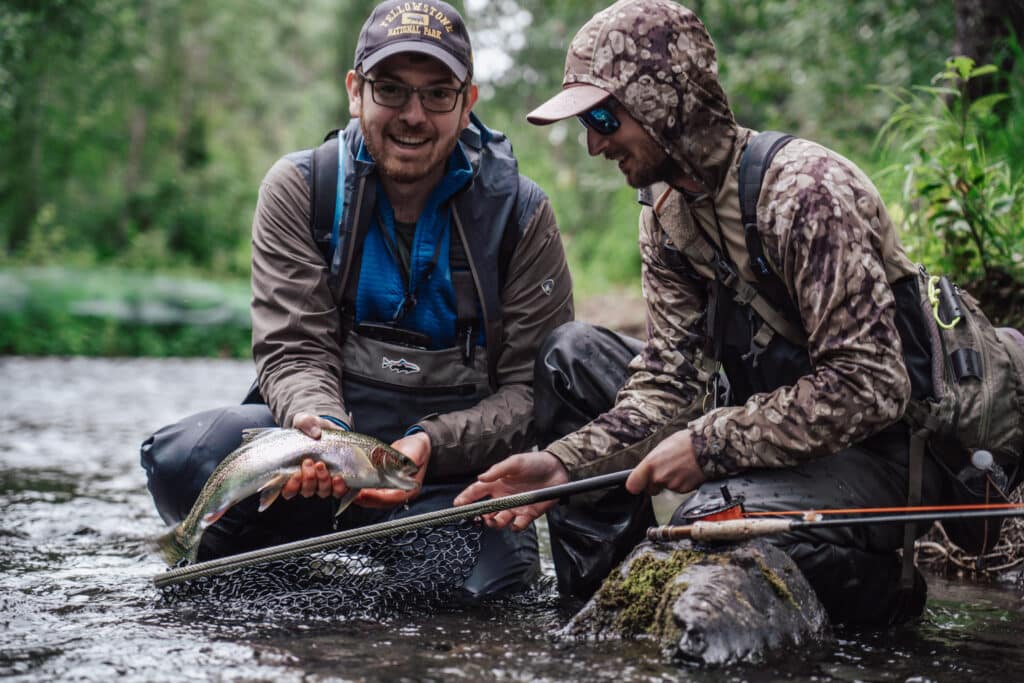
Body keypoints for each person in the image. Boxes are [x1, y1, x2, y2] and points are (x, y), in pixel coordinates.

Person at [455, 0, 1004, 624]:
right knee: (572, 356)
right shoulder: (665, 212)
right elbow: (668, 385)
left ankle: (873, 587)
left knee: (710, 520)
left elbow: (870, 386)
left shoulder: (807, 194)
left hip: (883, 453)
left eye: (604, 116)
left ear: (666, 102)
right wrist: (561, 464)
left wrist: (710, 443)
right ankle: (599, 614)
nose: (593, 144)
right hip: (776, 433)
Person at [140, 0, 573, 600]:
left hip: (443, 480)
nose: (413, 115)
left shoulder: (521, 216)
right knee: (185, 458)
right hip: (315, 461)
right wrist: (327, 435)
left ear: (468, 101)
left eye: (438, 94)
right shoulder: (302, 190)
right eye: (391, 90)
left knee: (484, 589)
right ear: (355, 91)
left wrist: (431, 441)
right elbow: (292, 350)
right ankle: (245, 552)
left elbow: (530, 394)